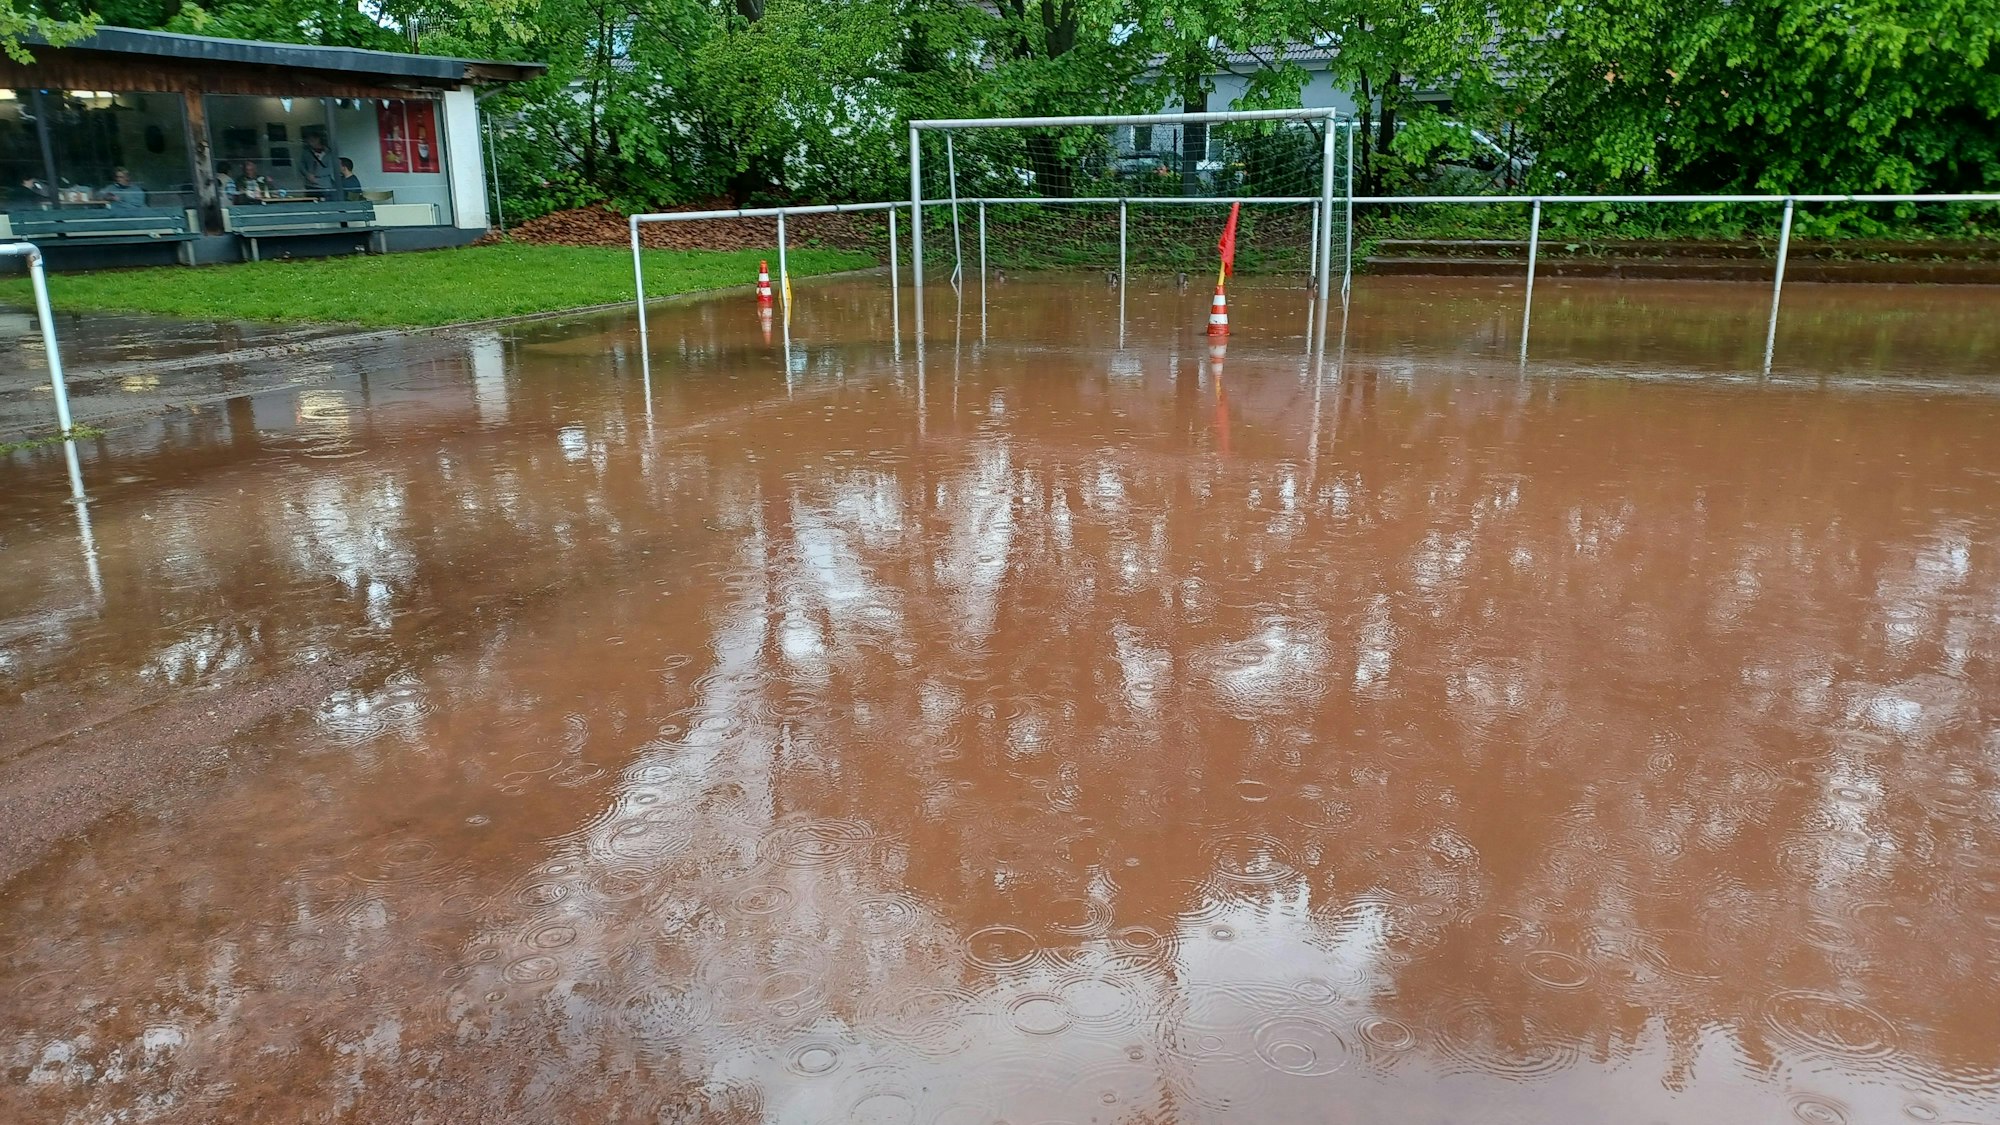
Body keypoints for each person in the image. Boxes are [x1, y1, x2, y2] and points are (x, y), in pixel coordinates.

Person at [301, 132, 333, 197]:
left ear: (318, 139)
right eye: (309, 140)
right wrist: (307, 175)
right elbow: (301, 165)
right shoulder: (306, 152)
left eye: (312, 140)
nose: (310, 142)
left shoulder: (329, 152)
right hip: (310, 185)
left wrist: (315, 176)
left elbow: (332, 168)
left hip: (324, 184)